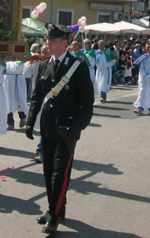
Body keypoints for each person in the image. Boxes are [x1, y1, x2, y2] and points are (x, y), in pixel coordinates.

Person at [25, 23, 94, 234]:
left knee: (60, 174)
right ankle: (54, 209)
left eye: (53, 40)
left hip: (67, 128)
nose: (48, 43)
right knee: (48, 171)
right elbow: (37, 96)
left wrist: (78, 126)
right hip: (48, 126)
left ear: (64, 43)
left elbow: (87, 103)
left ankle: (54, 215)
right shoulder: (43, 65)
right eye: (47, 39)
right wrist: (30, 121)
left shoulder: (78, 67)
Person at [133, 42, 150, 115]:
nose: (147, 49)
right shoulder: (144, 57)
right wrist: (144, 76)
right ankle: (140, 108)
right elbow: (141, 68)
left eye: (148, 47)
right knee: (142, 92)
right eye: (146, 47)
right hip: (144, 79)